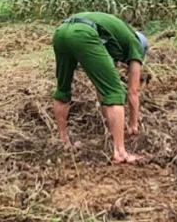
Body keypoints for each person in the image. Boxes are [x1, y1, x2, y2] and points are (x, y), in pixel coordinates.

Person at [50, 12, 147, 165]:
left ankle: (64, 142)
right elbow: (133, 91)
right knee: (116, 92)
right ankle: (120, 153)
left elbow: (102, 88)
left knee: (63, 89)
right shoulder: (135, 44)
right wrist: (133, 123)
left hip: (61, 31)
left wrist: (111, 125)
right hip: (83, 33)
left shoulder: (113, 40)